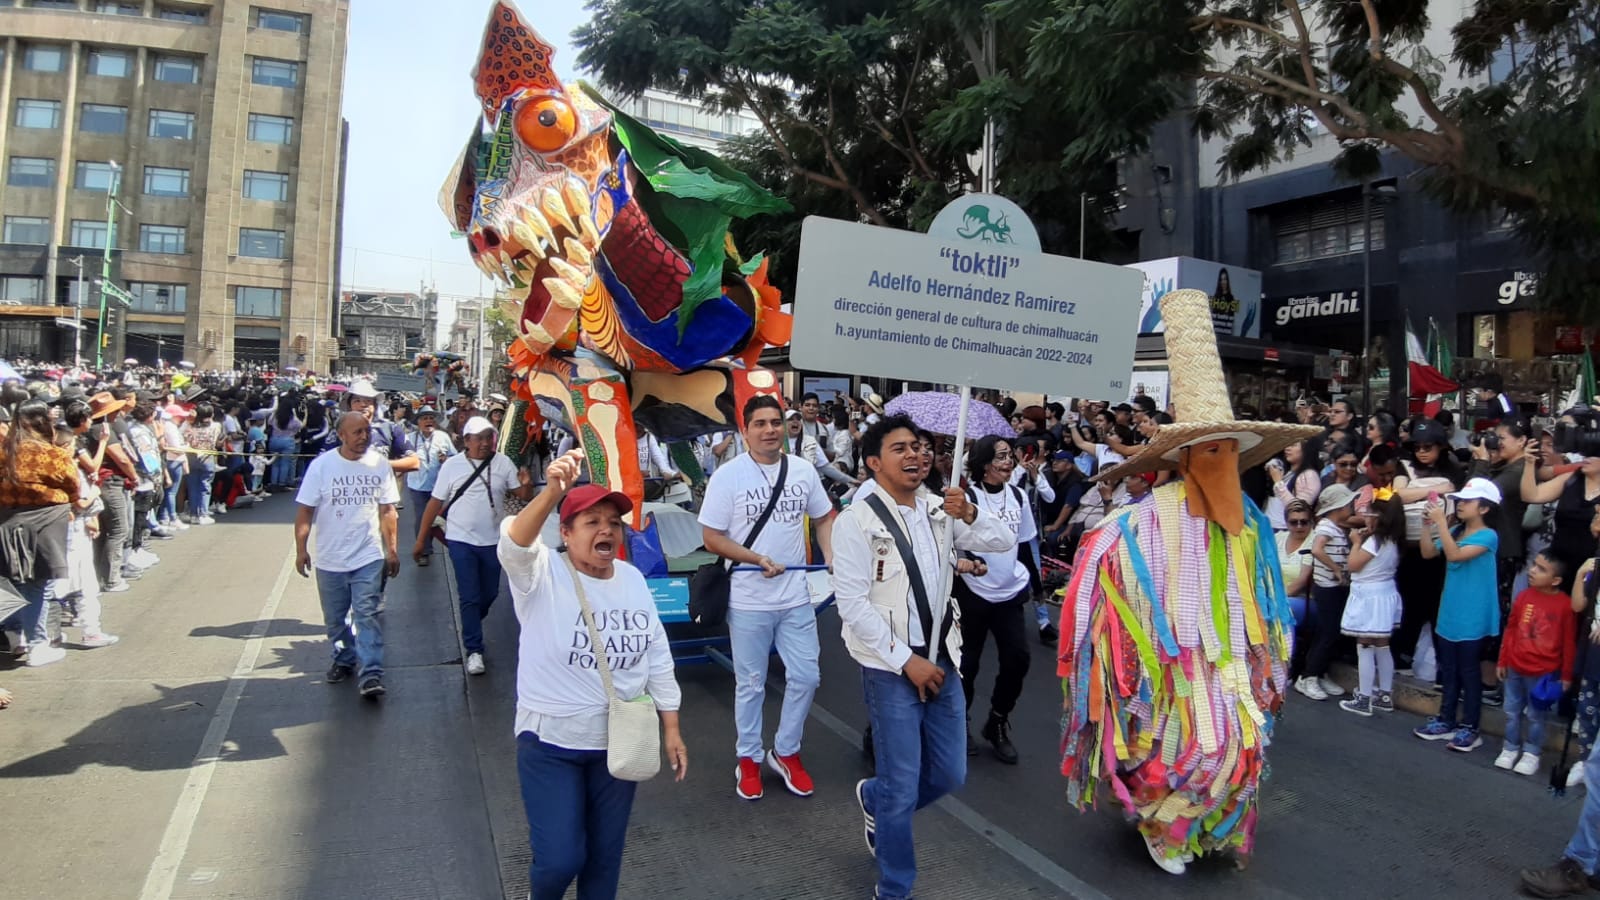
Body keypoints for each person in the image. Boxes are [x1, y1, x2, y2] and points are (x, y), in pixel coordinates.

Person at [1057, 289, 1318, 875]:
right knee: (1173, 746)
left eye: (1232, 451)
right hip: (1163, 664)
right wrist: (1127, 657)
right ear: (1187, 454)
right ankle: (1165, 827)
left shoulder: (1248, 521)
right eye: (1213, 450)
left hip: (1226, 664)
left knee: (1238, 745)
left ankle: (1204, 822)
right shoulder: (1138, 523)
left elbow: (1262, 597)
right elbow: (1104, 581)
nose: (1223, 461)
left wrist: (1263, 656)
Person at [832, 415, 1009, 900]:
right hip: (891, 669)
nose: (916, 456)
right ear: (873, 462)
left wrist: (969, 513)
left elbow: (1003, 542)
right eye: (901, 448)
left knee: (949, 774)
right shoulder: (855, 520)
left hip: (944, 661)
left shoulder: (940, 508)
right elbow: (852, 605)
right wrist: (904, 660)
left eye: (921, 447)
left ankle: (876, 798)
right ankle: (894, 887)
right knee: (903, 783)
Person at [499, 449, 687, 900]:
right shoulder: (542, 573)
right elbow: (513, 544)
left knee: (604, 862)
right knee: (561, 858)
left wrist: (672, 727)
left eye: (614, 522)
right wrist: (551, 493)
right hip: (551, 744)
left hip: (617, 745)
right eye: (592, 521)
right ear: (565, 532)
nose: (607, 530)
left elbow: (656, 652)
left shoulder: (631, 579)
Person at [700, 395, 834, 800]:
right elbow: (711, 538)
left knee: (807, 675)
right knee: (751, 683)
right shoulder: (728, 476)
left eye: (775, 422)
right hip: (747, 600)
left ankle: (786, 752)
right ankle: (748, 758)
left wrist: (830, 556)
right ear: (745, 431)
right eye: (760, 423)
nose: (770, 430)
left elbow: (825, 516)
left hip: (795, 596)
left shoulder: (804, 471)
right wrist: (755, 558)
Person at [294, 412, 401, 699]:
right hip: (331, 559)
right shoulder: (322, 467)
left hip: (368, 555)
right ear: (341, 435)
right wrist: (301, 549)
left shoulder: (379, 465)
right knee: (335, 620)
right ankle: (343, 659)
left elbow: (388, 510)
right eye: (356, 432)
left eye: (366, 431)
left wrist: (392, 550)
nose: (363, 437)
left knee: (366, 614)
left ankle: (371, 674)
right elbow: (305, 510)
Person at [414, 416, 532, 676]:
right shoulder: (453, 466)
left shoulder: (503, 463)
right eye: (478, 438)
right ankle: (474, 649)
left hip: (493, 541)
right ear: (466, 441)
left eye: (488, 437)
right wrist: (421, 540)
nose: (484, 443)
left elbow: (522, 495)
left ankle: (470, 624)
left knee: (489, 594)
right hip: (461, 540)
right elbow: (434, 503)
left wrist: (526, 483)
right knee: (469, 595)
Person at [955, 437, 1030, 763]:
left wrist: (1036, 586)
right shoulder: (967, 498)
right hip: (973, 592)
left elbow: (1025, 542)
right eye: (1001, 457)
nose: (1008, 462)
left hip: (1010, 592)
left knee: (1018, 659)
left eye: (1010, 457)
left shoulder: (1018, 495)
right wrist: (972, 560)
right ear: (985, 463)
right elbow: (955, 542)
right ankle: (960, 723)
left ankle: (997, 721)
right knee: (967, 665)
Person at [1414, 477, 1502, 752]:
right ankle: (1446, 720)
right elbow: (1429, 553)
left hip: (1474, 614)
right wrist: (1428, 525)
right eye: (1460, 500)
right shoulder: (1454, 528)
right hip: (1450, 610)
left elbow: (1454, 556)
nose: (1461, 505)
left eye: (1468, 501)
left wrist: (1441, 522)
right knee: (1448, 669)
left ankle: (1470, 727)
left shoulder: (1488, 536)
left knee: (1468, 671)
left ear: (1484, 508)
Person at [1495, 552, 1577, 776]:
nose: (1532, 571)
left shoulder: (1565, 606)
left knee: (1536, 715)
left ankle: (1532, 752)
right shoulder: (1523, 597)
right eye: (1534, 565)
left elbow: (1569, 643)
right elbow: (1511, 629)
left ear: (1556, 580)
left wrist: (1566, 676)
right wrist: (1503, 659)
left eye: (1541, 569)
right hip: (1515, 665)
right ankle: (1510, 747)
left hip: (1543, 671)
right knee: (1511, 711)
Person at [1337, 490, 1406, 715]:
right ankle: (1385, 694)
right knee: (1382, 645)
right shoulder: (1394, 540)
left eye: (1369, 513)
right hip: (1385, 593)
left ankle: (1364, 697)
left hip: (1369, 596)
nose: (1365, 517)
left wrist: (1356, 542)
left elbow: (1353, 564)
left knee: (1364, 644)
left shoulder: (1373, 541)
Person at [1297, 484, 1356, 701]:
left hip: (1335, 588)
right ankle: (1308, 675)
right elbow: (1317, 549)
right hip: (1328, 588)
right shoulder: (1326, 527)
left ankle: (1319, 672)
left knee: (1329, 632)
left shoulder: (1336, 526)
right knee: (1328, 633)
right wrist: (1335, 569)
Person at [405, 406, 456, 567]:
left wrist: (445, 460)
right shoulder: (410, 438)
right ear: (418, 422)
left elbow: (455, 457)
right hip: (417, 485)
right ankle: (424, 550)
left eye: (431, 418)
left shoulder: (443, 437)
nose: (429, 421)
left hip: (438, 486)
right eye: (425, 418)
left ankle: (428, 543)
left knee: (434, 518)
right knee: (422, 516)